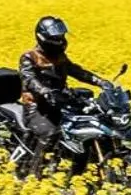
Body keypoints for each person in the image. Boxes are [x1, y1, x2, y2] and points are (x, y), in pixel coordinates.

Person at [19, 15, 111, 174]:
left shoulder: (59, 57)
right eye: (57, 37)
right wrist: (44, 91)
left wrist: (100, 81)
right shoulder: (29, 57)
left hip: (59, 103)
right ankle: (34, 175)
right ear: (43, 37)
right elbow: (29, 79)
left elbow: (76, 71)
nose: (61, 39)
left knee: (88, 125)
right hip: (37, 106)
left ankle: (80, 171)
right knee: (50, 133)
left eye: (61, 36)